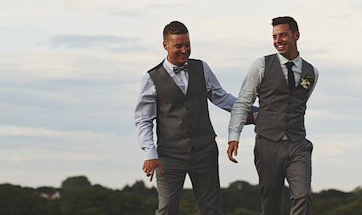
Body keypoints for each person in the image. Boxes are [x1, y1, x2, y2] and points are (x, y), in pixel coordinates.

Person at [135, 20, 252, 215]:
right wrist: (150, 152)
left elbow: (221, 97)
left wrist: (254, 112)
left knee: (211, 209)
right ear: (165, 46)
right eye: (178, 46)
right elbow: (143, 120)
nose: (184, 50)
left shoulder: (202, 68)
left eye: (187, 45)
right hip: (169, 155)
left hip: (204, 151)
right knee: (167, 210)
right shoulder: (151, 78)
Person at [226, 16, 318, 215]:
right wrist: (234, 135)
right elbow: (243, 102)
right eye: (274, 37)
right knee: (271, 202)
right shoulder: (261, 65)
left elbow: (299, 103)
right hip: (267, 143)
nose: (278, 41)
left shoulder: (311, 73)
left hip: (298, 143)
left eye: (283, 35)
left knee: (302, 195)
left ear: (296, 35)